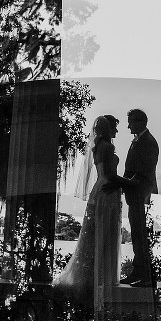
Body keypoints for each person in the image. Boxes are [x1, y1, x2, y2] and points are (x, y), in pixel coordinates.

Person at [53, 115, 123, 301]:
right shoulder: (108, 147)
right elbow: (110, 175)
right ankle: (102, 277)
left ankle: (88, 276)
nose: (117, 131)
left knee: (92, 235)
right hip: (107, 192)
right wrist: (131, 183)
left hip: (98, 191)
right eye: (115, 127)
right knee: (105, 233)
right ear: (108, 128)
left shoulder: (96, 147)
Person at [103, 109, 158, 288]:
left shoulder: (148, 142)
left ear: (141, 122)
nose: (128, 126)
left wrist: (119, 183)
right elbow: (131, 172)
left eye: (131, 122)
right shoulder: (138, 141)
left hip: (141, 193)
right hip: (134, 193)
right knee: (136, 233)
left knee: (141, 233)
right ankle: (137, 271)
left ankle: (147, 276)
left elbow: (140, 174)